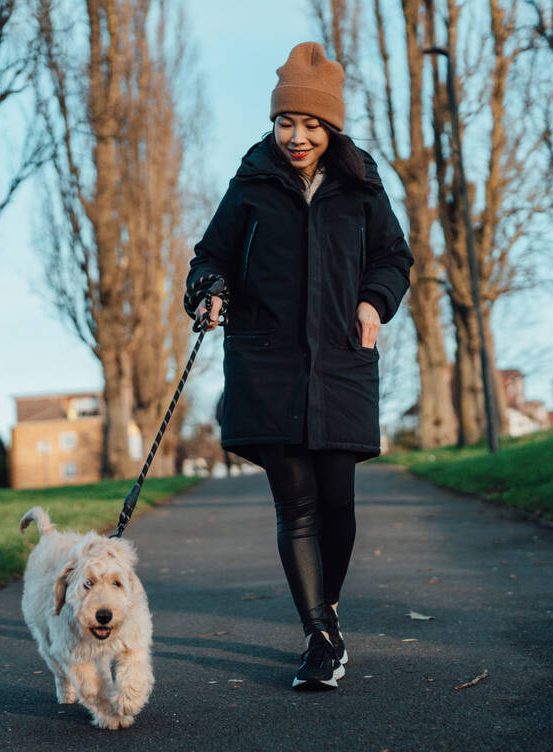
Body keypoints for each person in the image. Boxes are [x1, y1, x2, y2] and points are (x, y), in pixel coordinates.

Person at [183, 42, 413, 691]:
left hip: (343, 360)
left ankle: (327, 608)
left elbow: (394, 258)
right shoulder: (251, 183)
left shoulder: (362, 186)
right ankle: (319, 636)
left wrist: (373, 304)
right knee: (298, 505)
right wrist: (209, 292)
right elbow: (211, 256)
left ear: (330, 126)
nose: (297, 136)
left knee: (337, 499)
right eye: (287, 122)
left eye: (310, 124)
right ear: (274, 123)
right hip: (267, 363)